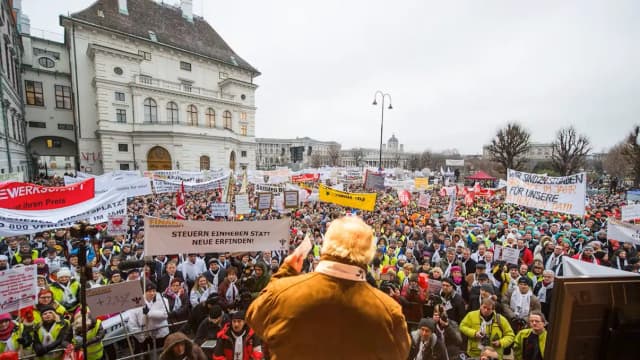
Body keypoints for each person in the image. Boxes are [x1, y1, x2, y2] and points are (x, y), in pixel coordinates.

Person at [246, 216, 411, 359]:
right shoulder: (388, 311)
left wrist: (285, 273)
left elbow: (255, 317)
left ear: (326, 244)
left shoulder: (282, 293)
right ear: (368, 254)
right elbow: (400, 353)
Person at [128, 282, 170, 359]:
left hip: (161, 335)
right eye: (149, 291)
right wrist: (142, 337)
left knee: (163, 354)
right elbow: (132, 324)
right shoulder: (136, 303)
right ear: (144, 292)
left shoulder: (162, 300)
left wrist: (149, 313)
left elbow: (165, 315)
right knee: (147, 356)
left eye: (154, 291)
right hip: (145, 336)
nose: (152, 293)